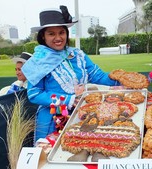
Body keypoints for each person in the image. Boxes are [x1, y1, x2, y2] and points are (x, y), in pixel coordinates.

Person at [21, 5, 120, 143]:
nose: (58, 38)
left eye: (61, 32)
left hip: (83, 114)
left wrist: (120, 78)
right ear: (43, 36)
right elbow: (35, 94)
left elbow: (98, 76)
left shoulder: (77, 55)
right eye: (51, 33)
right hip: (53, 120)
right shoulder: (37, 62)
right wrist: (69, 100)